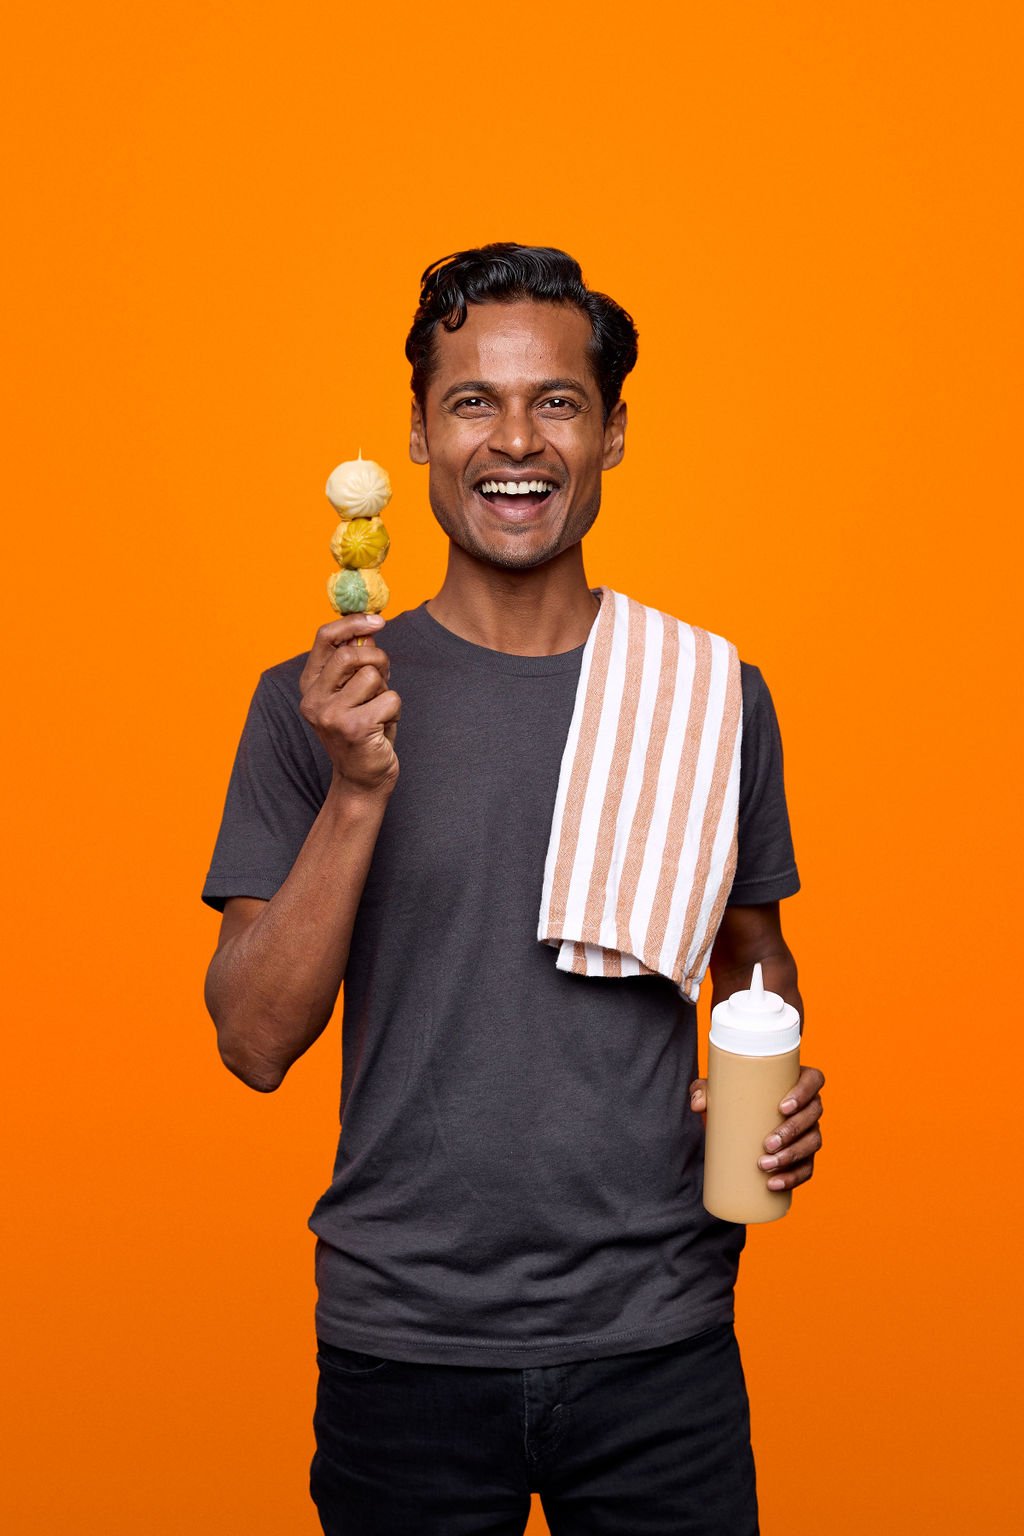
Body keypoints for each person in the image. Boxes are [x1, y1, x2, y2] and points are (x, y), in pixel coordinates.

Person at [201, 243, 825, 1536]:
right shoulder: (312, 706)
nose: (514, 440)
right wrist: (360, 789)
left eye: (556, 401)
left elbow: (753, 949)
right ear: (420, 436)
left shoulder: (710, 693)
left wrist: (763, 1068)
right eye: (472, 402)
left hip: (659, 1334)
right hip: (404, 1341)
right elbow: (255, 1041)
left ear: (612, 433)